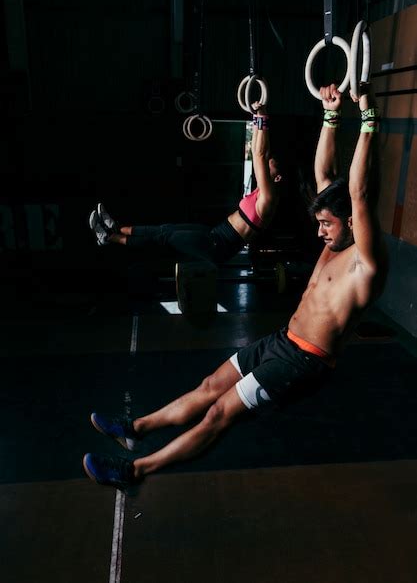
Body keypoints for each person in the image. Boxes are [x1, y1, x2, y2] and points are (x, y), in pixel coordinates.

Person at [83, 83, 388, 490]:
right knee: (209, 387)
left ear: (353, 222)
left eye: (326, 224)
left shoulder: (366, 262)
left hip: (304, 363)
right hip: (283, 340)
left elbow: (359, 191)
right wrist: (331, 115)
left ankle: (134, 471)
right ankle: (135, 427)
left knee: (218, 414)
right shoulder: (337, 233)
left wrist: (368, 117)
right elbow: (326, 175)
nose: (319, 232)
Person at [88, 103, 281, 265]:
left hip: (217, 247)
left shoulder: (268, 199)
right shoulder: (261, 191)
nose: (268, 161)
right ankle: (115, 226)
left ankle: (108, 238)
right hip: (214, 233)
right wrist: (256, 117)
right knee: (165, 228)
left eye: (272, 164)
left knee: (164, 239)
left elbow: (259, 154)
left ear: (277, 177)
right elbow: (263, 151)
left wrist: (262, 117)